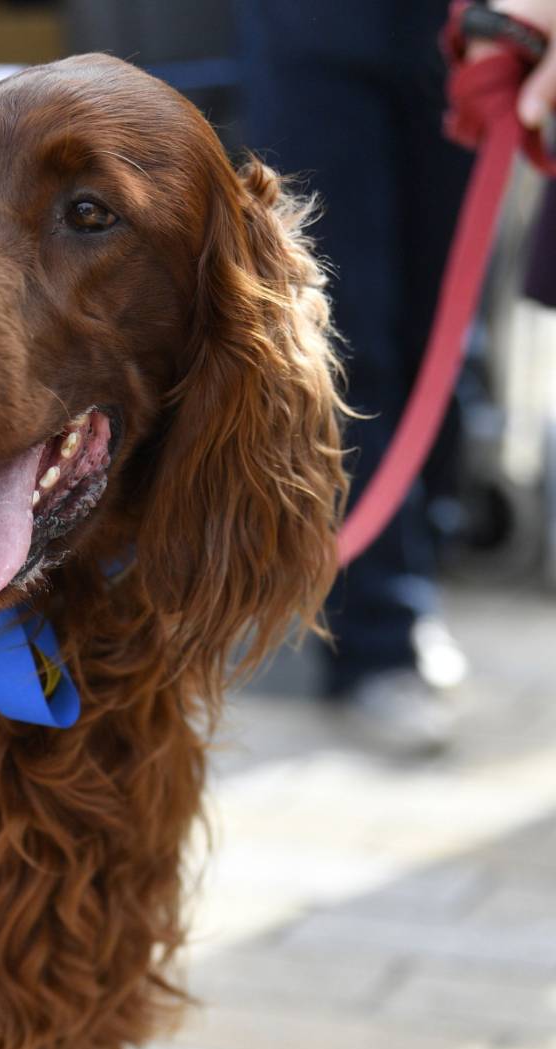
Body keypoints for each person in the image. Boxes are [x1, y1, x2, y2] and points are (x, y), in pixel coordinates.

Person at [239, 2, 476, 755]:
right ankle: (380, 636)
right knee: (346, 333)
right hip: (319, 27)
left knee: (447, 325)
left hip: (466, 29)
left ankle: (414, 566)